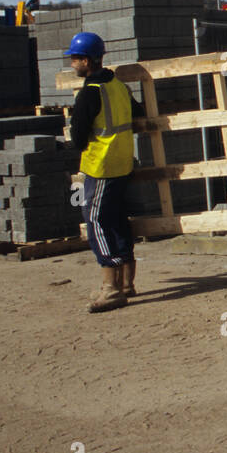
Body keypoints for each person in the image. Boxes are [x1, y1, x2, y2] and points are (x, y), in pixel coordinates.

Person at [66, 32, 144, 313]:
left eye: (75, 59)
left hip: (101, 166)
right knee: (116, 219)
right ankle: (126, 283)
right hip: (123, 163)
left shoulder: (90, 93)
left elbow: (77, 138)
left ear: (87, 60)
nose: (73, 64)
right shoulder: (118, 87)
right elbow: (138, 113)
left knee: (96, 220)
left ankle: (110, 287)